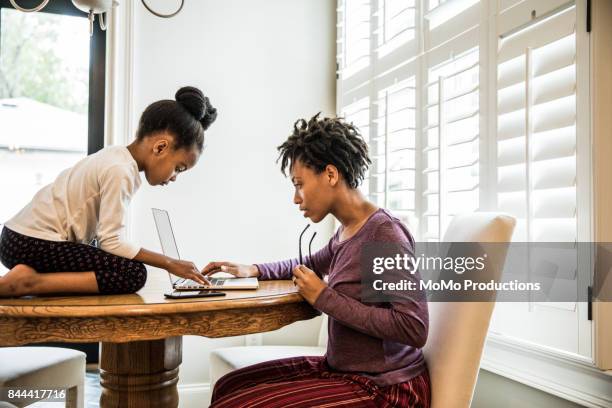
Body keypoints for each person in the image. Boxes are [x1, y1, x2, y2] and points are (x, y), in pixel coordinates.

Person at [203, 114, 430, 407]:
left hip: (388, 388)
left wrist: (325, 297)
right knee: (229, 385)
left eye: (299, 184)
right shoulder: (347, 231)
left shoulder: (384, 234)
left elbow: (413, 327)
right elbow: (308, 263)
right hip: (343, 370)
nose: (296, 198)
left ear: (331, 175)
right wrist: (254, 269)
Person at [0, 86, 216, 297]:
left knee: (118, 264)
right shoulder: (120, 171)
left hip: (17, 239)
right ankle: (29, 282)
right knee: (133, 273)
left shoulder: (116, 157)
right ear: (160, 147)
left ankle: (30, 277)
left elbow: (106, 240)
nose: (174, 177)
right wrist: (169, 263)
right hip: (30, 243)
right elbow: (111, 241)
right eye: (178, 168)